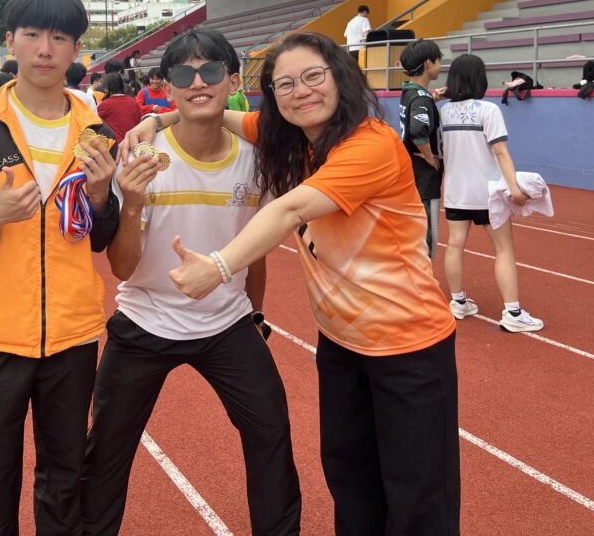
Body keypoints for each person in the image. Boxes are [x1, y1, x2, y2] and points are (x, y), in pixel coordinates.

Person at [127, 31, 460, 534]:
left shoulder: (370, 145)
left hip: (407, 346)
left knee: (418, 498)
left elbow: (289, 210)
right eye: (284, 85)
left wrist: (218, 266)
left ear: (340, 78)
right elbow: (217, 115)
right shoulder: (294, 137)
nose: (300, 91)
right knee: (352, 482)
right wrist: (156, 119)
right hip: (341, 344)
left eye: (312, 77)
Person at [82, 30, 301, 536]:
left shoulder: (255, 159)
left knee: (270, 431)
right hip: (145, 322)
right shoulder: (142, 157)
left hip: (226, 325)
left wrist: (255, 314)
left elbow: (254, 250)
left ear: (233, 82)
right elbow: (121, 268)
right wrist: (132, 204)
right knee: (106, 451)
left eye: (211, 71)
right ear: (166, 86)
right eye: (184, 73)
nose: (198, 82)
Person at [0, 0, 120, 535]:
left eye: (60, 38)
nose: (45, 50)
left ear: (76, 50)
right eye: (33, 35)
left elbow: (100, 238)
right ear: (10, 41)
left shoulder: (95, 132)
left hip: (71, 333)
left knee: (64, 477)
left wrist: (100, 196)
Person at [440, 54, 544, 333]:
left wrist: (441, 95)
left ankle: (458, 302)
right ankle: (513, 312)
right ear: (480, 78)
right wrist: (515, 189)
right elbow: (501, 153)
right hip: (488, 193)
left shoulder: (444, 111)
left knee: (454, 245)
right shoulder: (488, 110)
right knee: (504, 249)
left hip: (455, 191)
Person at [399, 39, 445, 259]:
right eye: (438, 61)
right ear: (428, 63)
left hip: (410, 172)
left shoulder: (409, 91)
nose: (440, 66)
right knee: (427, 238)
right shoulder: (421, 99)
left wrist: (432, 98)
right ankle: (421, 277)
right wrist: (430, 158)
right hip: (424, 177)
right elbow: (418, 131)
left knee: (411, 233)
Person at [95, 73, 141, 143]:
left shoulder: (104, 105)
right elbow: (139, 122)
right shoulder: (134, 102)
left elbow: (94, 122)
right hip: (133, 142)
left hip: (115, 144)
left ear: (107, 88)